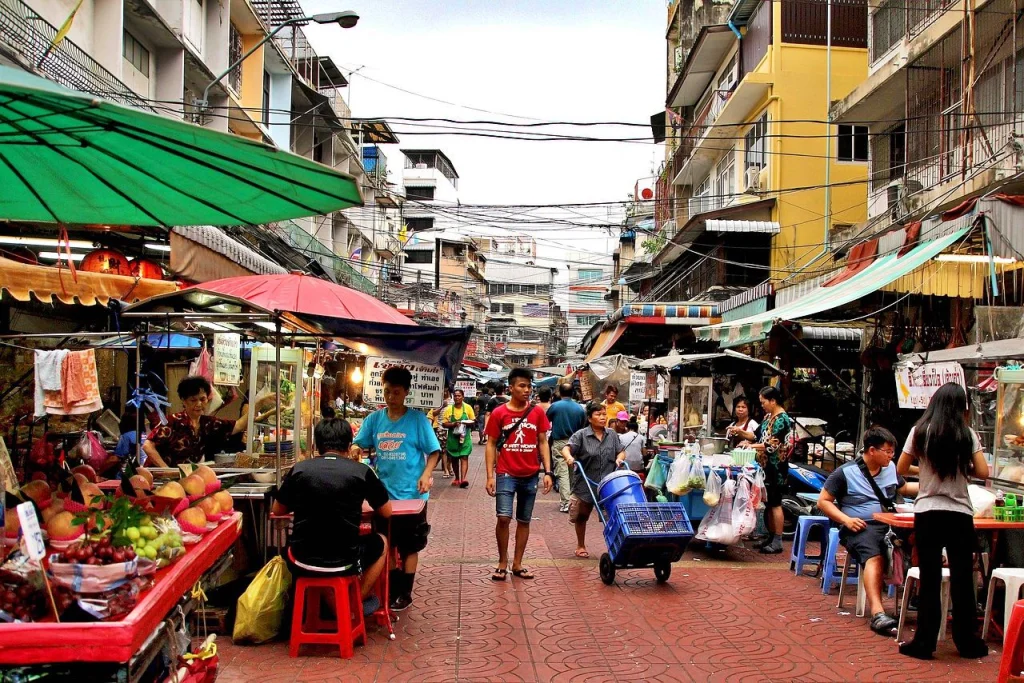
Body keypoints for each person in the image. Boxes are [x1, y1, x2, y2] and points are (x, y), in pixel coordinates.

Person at [896, 382, 989, 660]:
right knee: (962, 579)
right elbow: (983, 471)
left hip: (927, 512)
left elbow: (900, 468)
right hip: (959, 514)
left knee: (930, 577)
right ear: (962, 407)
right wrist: (961, 466)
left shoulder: (920, 432)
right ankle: (967, 643)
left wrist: (924, 465)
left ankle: (924, 643)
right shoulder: (966, 434)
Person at [273, 417, 391, 615]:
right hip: (344, 561)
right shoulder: (362, 471)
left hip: (300, 560)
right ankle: (353, 604)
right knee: (382, 542)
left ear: (317, 445)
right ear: (348, 444)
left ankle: (330, 606)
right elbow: (386, 512)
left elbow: (278, 510)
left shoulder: (300, 469)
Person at [352, 367, 441, 612]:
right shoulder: (374, 420)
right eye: (387, 392)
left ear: (406, 393)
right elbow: (358, 443)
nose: (391, 397)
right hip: (385, 496)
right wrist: (355, 450)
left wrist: (426, 474)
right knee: (387, 543)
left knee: (410, 545)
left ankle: (405, 592)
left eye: (396, 392)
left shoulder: (417, 420)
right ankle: (392, 590)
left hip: (413, 495)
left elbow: (434, 452)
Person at [818, 427, 918, 635]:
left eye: (893, 452)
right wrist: (846, 520)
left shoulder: (890, 468)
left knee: (922, 544)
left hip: (890, 522)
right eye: (888, 452)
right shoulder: (844, 472)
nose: (892, 457)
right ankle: (878, 613)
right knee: (875, 555)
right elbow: (823, 502)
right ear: (872, 450)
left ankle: (916, 600)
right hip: (860, 525)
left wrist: (935, 484)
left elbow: (904, 489)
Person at [484, 368, 553, 581]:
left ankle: (517, 564)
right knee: (503, 517)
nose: (526, 390)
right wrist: (489, 475)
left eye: (529, 386)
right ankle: (502, 562)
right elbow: (491, 443)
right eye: (522, 386)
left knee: (524, 520)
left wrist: (548, 472)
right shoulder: (499, 413)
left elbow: (543, 442)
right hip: (506, 473)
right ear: (511, 388)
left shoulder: (537, 413)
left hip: (531, 474)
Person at [144, 376, 270, 467]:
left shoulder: (208, 423)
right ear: (183, 400)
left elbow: (238, 425)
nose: (199, 404)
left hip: (187, 479)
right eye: (193, 400)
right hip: (161, 481)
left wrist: (258, 404)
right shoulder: (172, 422)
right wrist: (166, 470)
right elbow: (148, 446)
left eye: (202, 399)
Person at [561, 403, 626, 558]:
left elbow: (621, 451)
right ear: (590, 418)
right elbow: (566, 448)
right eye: (598, 414)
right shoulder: (581, 435)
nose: (602, 417)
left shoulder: (612, 434)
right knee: (582, 515)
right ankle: (580, 545)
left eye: (604, 414)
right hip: (586, 482)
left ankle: (617, 544)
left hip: (608, 482)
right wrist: (569, 457)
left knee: (613, 515)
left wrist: (619, 459)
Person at [744, 386, 794, 555]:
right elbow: (757, 436)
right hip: (765, 467)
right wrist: (741, 434)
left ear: (773, 401)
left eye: (764, 402)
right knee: (769, 502)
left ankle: (778, 541)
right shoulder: (768, 417)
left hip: (776, 468)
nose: (762, 405)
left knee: (775, 503)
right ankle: (771, 536)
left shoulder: (782, 419)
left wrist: (750, 446)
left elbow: (771, 446)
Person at [546, 383, 586, 513]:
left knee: (562, 472)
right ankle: (573, 500)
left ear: (560, 392)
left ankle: (566, 502)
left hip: (560, 442)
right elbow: (583, 425)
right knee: (572, 472)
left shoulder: (555, 406)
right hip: (575, 442)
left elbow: (547, 420)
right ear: (573, 392)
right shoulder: (580, 408)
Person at [441, 389, 476, 488]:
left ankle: (463, 479)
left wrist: (467, 423)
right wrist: (453, 424)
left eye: (459, 396)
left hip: (465, 438)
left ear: (463, 397)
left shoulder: (468, 408)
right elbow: (444, 423)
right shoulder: (449, 409)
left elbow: (473, 420)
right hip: (453, 439)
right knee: (455, 459)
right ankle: (457, 478)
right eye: (455, 396)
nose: (457, 398)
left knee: (464, 457)